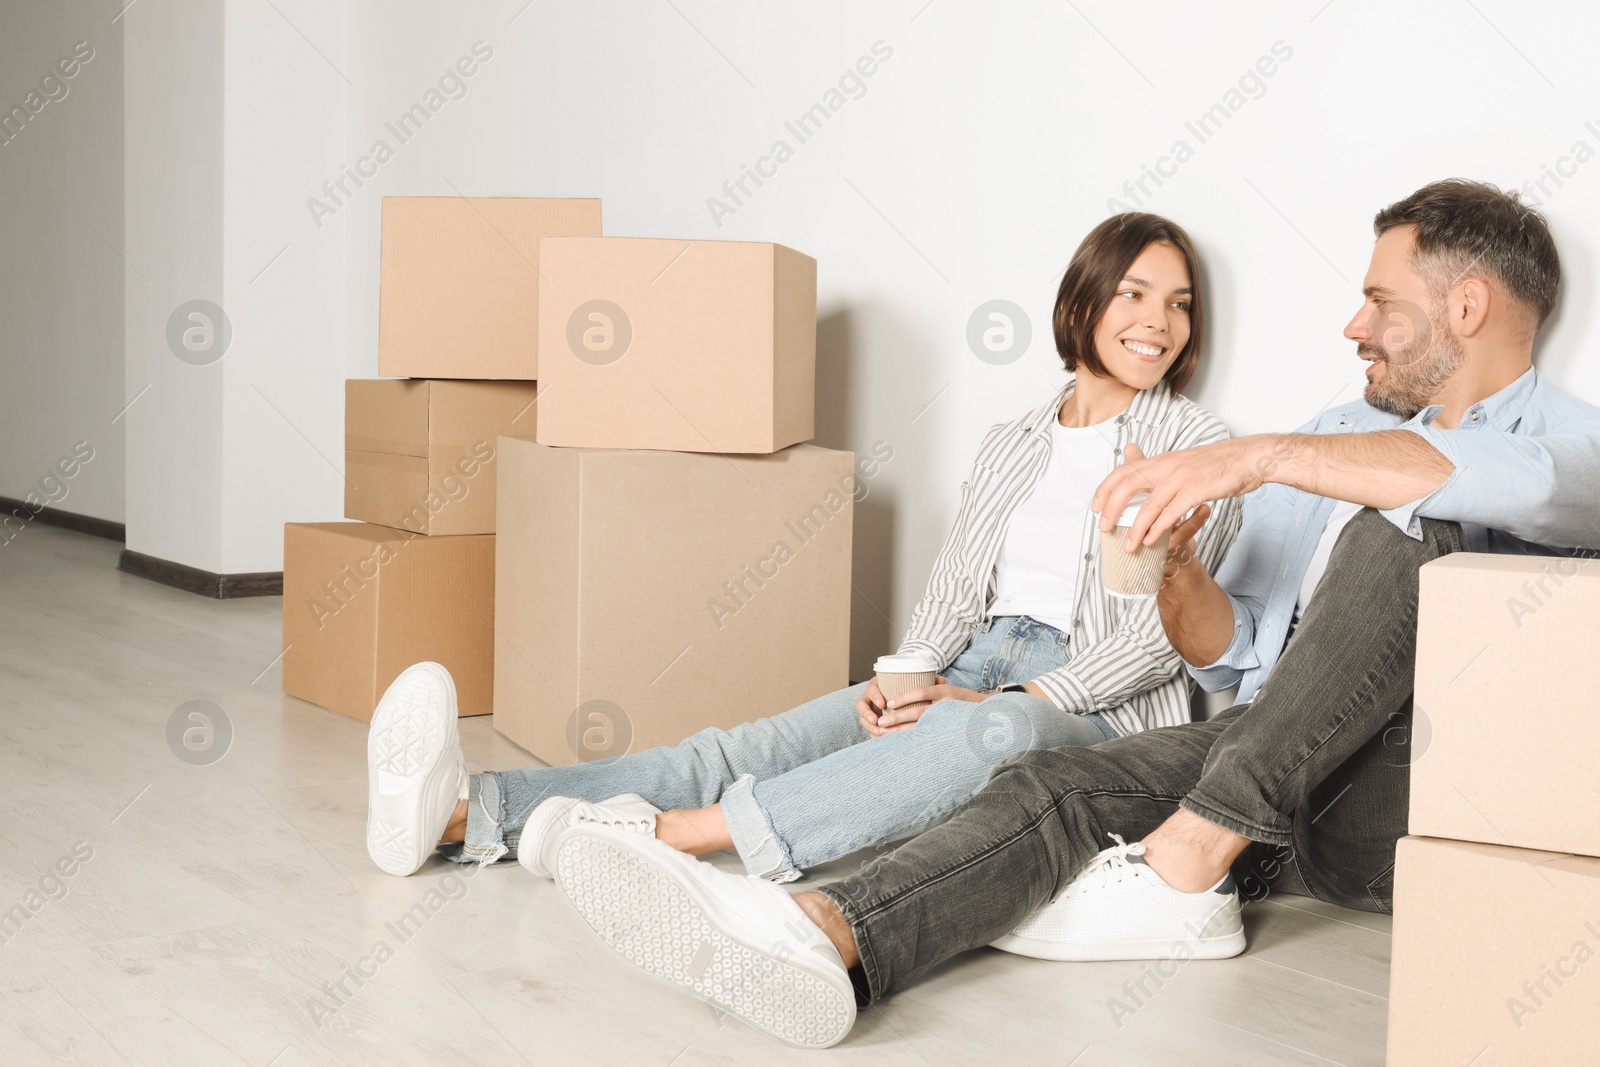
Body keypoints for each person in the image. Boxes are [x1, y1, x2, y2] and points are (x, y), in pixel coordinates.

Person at [545, 178, 1600, 1050]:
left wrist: (1258, 453)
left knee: (1408, 526)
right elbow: (1236, 655)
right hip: (1266, 773)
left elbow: (1488, 483)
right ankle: (826, 932)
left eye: (1379, 299)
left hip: (1400, 805)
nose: (1352, 323)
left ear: (1466, 307)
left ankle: (1183, 866)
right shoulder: (1333, 427)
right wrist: (1180, 571)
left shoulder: (1572, 443)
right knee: (1051, 780)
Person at [364, 212, 1243, 887]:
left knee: (987, 731)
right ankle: (462, 813)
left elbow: (1161, 640)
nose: (1158, 321)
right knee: (748, 744)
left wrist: (994, 693)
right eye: (1134, 292)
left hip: (1081, 702)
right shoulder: (1010, 441)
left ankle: (661, 839)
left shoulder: (1199, 452)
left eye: (1178, 303)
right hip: (967, 662)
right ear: (1080, 302)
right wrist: (907, 676)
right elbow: (951, 586)